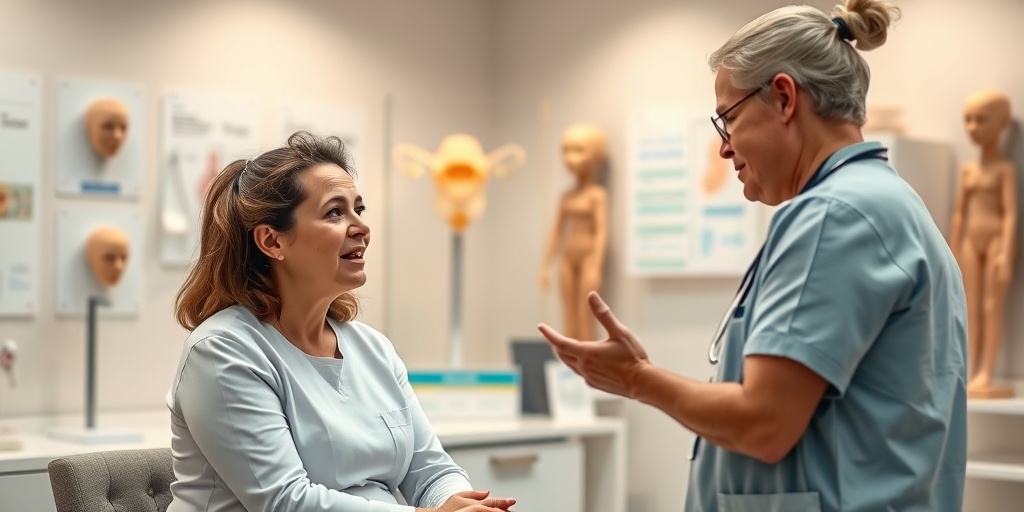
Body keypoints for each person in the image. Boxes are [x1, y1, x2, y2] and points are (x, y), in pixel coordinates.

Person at [538, 1, 968, 511]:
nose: (723, 148)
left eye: (728, 120)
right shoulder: (889, 204)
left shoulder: (835, 214)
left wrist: (636, 378)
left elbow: (765, 423)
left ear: (784, 97)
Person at [167, 131, 515, 512]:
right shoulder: (221, 351)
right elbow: (285, 502)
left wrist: (459, 503)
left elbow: (430, 469)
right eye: (335, 212)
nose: (361, 227)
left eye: (358, 210)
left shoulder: (374, 348)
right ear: (272, 241)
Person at [950, 89, 1017, 398]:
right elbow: (959, 212)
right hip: (970, 242)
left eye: (981, 120)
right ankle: (969, 368)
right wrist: (950, 250)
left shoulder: (1005, 170)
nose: (973, 127)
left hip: (994, 242)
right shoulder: (968, 170)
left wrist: (1006, 250)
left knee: (992, 307)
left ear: (1002, 122)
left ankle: (986, 371)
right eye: (968, 120)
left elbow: (1010, 214)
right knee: (970, 307)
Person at [539, 123, 609, 341]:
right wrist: (545, 265)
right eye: (566, 150)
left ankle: (587, 368)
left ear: (595, 154)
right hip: (567, 259)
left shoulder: (597, 195)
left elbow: (601, 232)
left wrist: (596, 266)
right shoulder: (566, 197)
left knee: (585, 314)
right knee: (568, 316)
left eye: (578, 150)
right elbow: (556, 232)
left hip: (588, 257)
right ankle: (567, 367)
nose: (570, 158)